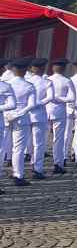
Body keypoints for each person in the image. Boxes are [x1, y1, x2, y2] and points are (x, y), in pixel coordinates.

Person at [4, 58, 37, 186]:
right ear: (24, 70)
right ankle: (18, 175)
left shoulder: (6, 83)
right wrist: (18, 114)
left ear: (13, 70)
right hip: (21, 119)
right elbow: (31, 105)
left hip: (6, 117)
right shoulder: (29, 85)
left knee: (2, 148)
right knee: (18, 148)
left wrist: (8, 114)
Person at [24, 58, 53, 179]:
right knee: (39, 143)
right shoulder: (47, 82)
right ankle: (37, 168)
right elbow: (50, 97)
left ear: (32, 68)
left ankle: (18, 170)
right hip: (39, 114)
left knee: (23, 143)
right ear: (43, 68)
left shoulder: (27, 81)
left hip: (26, 114)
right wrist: (39, 103)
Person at [45, 58, 75, 174]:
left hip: (46, 110)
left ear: (53, 68)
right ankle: (58, 163)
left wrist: (54, 98)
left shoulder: (47, 80)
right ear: (64, 68)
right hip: (59, 111)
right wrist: (60, 99)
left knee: (40, 139)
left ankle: (36, 165)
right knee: (58, 139)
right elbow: (72, 98)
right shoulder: (66, 81)